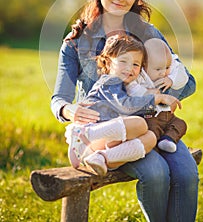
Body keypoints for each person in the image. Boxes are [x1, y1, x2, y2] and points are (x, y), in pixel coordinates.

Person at [51, 0, 199, 222]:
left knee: (186, 173)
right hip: (110, 131)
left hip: (154, 124)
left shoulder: (148, 32)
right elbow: (59, 99)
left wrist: (161, 92)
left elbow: (188, 82)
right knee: (155, 174)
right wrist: (69, 109)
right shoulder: (75, 43)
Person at [65, 34, 181, 175]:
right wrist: (156, 99)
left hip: (102, 147)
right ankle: (84, 134)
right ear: (108, 63)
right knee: (140, 124)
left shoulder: (127, 87)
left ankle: (103, 158)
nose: (129, 68)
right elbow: (126, 106)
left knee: (151, 138)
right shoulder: (109, 81)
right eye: (123, 61)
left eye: (135, 64)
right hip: (91, 134)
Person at [126, 37, 188, 153]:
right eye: (158, 69)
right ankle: (154, 147)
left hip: (167, 115)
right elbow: (131, 89)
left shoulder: (167, 71)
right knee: (152, 128)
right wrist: (148, 92)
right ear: (144, 66)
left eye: (167, 68)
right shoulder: (140, 76)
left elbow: (182, 74)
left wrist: (171, 79)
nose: (163, 72)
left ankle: (168, 140)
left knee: (180, 124)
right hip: (150, 115)